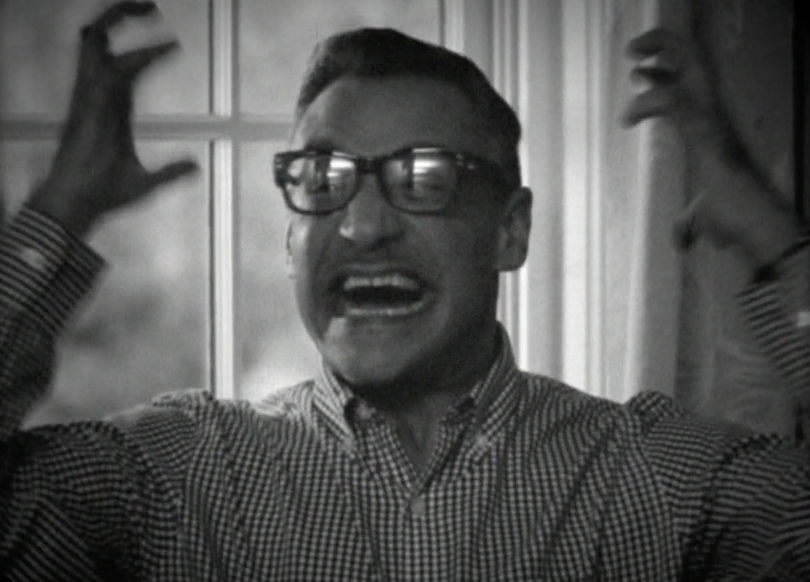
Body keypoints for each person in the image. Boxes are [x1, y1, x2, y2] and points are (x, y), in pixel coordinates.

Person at [1, 1, 808, 580]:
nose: (361, 226)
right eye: (323, 177)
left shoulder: (653, 480)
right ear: (291, 236)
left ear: (511, 231)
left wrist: (779, 243)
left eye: (424, 177)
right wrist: (58, 213)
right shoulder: (174, 475)